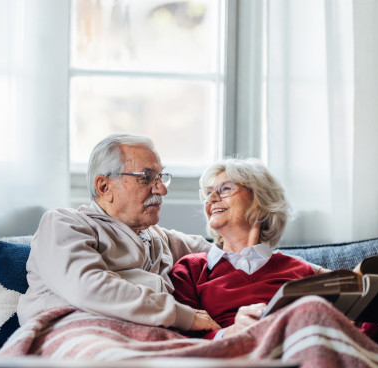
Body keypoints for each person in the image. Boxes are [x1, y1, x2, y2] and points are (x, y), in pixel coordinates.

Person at [17, 134, 220, 333]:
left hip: (141, 339)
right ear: (104, 187)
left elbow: (223, 253)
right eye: (147, 178)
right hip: (74, 332)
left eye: (160, 177)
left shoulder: (157, 237)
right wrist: (182, 316)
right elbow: (89, 289)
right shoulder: (64, 224)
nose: (161, 190)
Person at [170, 157, 337, 339]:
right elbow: (181, 339)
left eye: (225, 188)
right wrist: (232, 332)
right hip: (227, 359)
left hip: (296, 351)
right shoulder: (190, 270)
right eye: (208, 193)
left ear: (260, 202)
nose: (211, 198)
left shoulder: (300, 270)